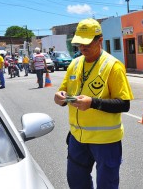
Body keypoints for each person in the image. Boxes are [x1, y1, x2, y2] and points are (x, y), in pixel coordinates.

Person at [54, 18, 134, 189]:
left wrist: (93, 103)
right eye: (79, 44)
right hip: (77, 138)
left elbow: (123, 104)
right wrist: (60, 98)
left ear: (100, 40)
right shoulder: (74, 64)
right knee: (76, 182)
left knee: (107, 185)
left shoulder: (113, 66)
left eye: (87, 43)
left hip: (105, 142)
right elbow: (64, 92)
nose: (82, 48)